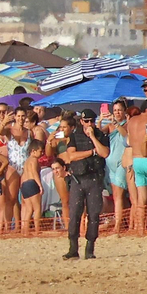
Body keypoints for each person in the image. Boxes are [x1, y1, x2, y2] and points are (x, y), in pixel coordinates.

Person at [59, 109, 109, 259]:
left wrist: (93, 137)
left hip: (94, 180)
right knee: (74, 214)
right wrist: (91, 152)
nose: (89, 124)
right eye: (86, 121)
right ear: (81, 121)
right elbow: (71, 156)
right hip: (78, 180)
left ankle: (90, 249)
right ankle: (73, 249)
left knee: (93, 215)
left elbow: (105, 153)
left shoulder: (101, 135)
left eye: (91, 121)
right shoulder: (75, 136)